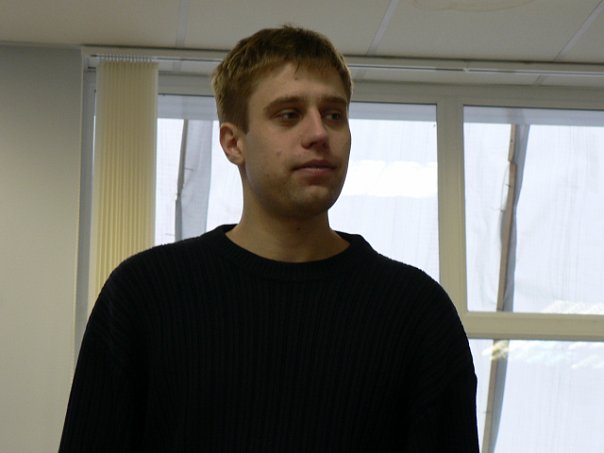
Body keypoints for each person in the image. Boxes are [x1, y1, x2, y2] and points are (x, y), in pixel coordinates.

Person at [60, 25, 479, 452]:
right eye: (289, 114)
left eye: (334, 115)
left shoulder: (416, 312)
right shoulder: (144, 295)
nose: (319, 133)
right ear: (233, 143)